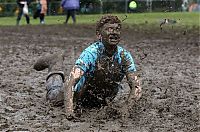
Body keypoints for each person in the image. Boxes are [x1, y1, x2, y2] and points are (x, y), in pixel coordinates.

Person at [34, 15, 142, 117]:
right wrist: (69, 111)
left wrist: (127, 108)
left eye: (117, 29)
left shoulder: (124, 56)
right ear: (99, 35)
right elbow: (70, 82)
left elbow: (136, 87)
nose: (114, 32)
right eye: (109, 29)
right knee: (54, 97)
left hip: (99, 100)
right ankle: (54, 64)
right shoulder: (91, 53)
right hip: (77, 95)